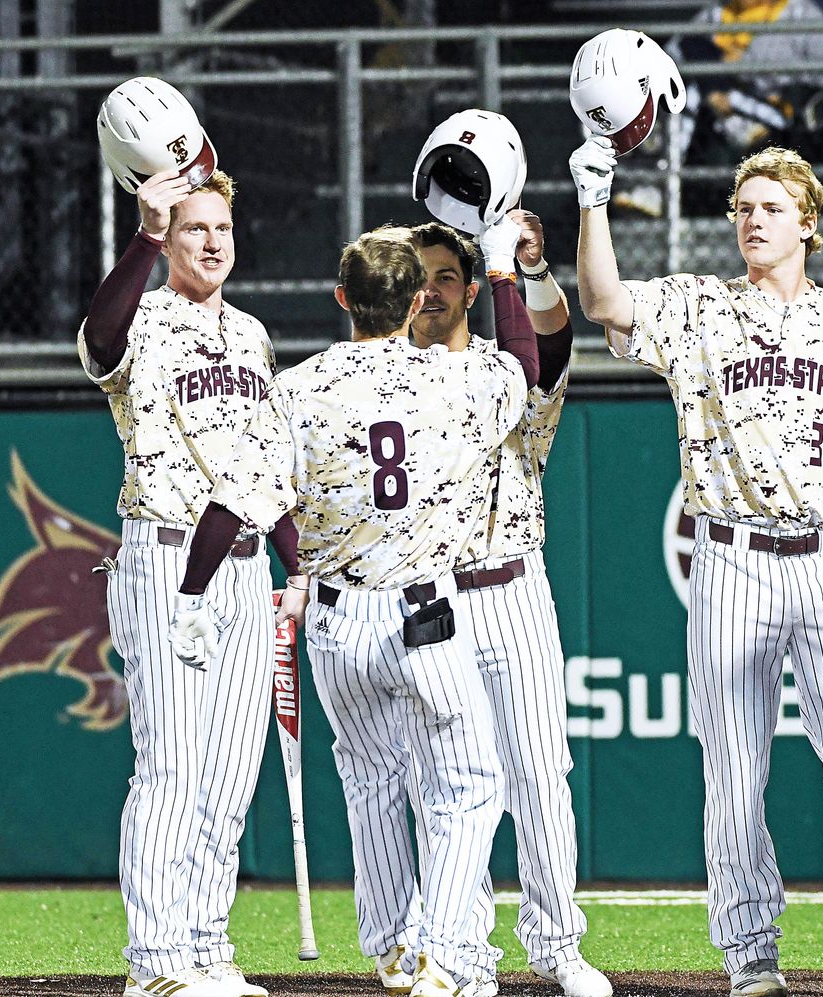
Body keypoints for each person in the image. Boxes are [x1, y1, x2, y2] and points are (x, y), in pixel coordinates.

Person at [569, 137, 823, 997]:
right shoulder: (699, 305)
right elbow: (602, 298)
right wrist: (593, 198)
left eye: (772, 208)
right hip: (731, 560)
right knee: (735, 770)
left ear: (808, 224)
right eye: (743, 207)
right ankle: (750, 954)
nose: (752, 220)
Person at [169, 224, 541, 997]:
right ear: (414, 302)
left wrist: (190, 596)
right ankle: (440, 950)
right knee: (470, 786)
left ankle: (391, 948)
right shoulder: (454, 378)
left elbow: (228, 504)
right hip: (424, 614)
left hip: (338, 621)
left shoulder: (297, 388)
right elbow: (526, 370)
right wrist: (500, 270)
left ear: (343, 299)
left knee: (371, 781)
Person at [368, 213, 611, 997]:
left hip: (511, 589)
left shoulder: (512, 368)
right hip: (428, 596)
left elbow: (553, 355)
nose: (432, 289)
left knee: (540, 772)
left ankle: (557, 945)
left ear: (472, 289)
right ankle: (460, 949)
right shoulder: (386, 378)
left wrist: (525, 268)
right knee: (442, 783)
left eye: (446, 276)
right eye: (419, 276)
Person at [78, 167, 306, 997]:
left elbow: (265, 461)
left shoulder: (252, 335)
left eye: (221, 229)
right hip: (165, 553)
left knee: (231, 771)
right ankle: (157, 961)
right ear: (169, 241)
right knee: (170, 767)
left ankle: (207, 946)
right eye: (194, 229)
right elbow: (100, 343)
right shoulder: (141, 316)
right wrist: (142, 233)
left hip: (246, 566)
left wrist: (297, 562)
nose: (211, 242)